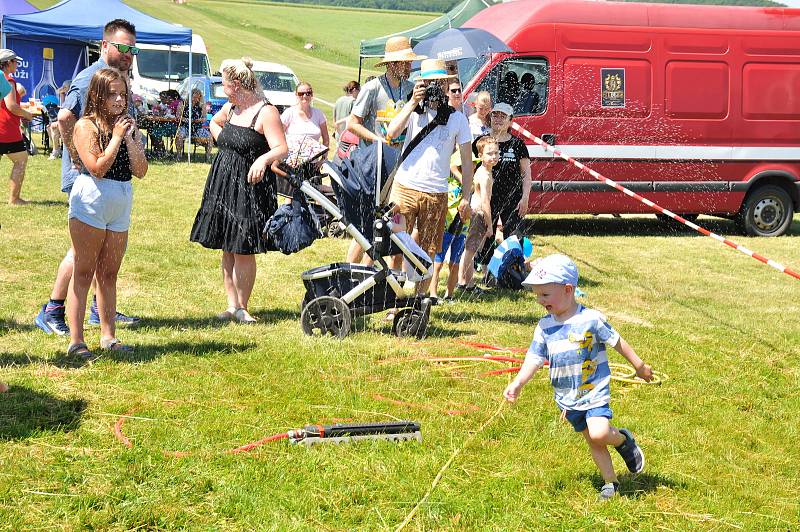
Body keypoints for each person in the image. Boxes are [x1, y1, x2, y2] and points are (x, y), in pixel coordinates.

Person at [503, 253, 653, 501]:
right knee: (593, 441)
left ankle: (623, 441)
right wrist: (518, 382)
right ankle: (610, 482)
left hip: (593, 390)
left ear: (568, 289)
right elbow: (534, 358)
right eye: (537, 295)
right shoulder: (544, 327)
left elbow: (617, 342)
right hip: (568, 397)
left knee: (598, 433)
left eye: (545, 295)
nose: (540, 301)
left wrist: (639, 366)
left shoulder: (590, 319)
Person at [34, 19, 142, 337]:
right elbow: (65, 117)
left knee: (98, 253)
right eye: (122, 47)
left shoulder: (117, 79)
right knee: (82, 254)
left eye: (133, 49)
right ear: (104, 45)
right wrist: (77, 159)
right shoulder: (91, 78)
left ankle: (99, 309)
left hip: (110, 180)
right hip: (91, 179)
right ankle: (54, 309)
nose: (128, 54)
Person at [190, 58, 288, 323]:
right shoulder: (232, 107)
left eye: (224, 83)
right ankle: (231, 305)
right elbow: (215, 122)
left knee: (243, 246)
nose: (222, 88)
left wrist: (262, 159)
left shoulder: (265, 112)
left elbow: (281, 148)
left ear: (236, 84)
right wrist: (219, 136)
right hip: (223, 181)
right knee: (227, 245)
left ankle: (243, 306)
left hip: (250, 186)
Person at [66, 67, 148, 357]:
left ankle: (108, 336)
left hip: (121, 199)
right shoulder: (85, 126)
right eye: (112, 94)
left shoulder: (129, 126)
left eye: (122, 94)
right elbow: (97, 168)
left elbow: (140, 170)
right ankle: (76, 341)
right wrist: (115, 137)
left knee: (109, 274)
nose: (118, 100)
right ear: (98, 95)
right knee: (84, 271)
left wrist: (128, 138)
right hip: (92, 199)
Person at [386, 58, 473, 295]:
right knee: (395, 247)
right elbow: (392, 133)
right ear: (420, 84)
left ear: (447, 86)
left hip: (436, 194)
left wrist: (466, 197)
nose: (435, 87)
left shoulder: (457, 119)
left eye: (440, 83)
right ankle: (394, 299)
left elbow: (467, 162)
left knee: (428, 251)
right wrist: (413, 102)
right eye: (429, 82)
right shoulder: (411, 110)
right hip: (404, 188)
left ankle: (419, 301)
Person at [345, 36, 424, 264]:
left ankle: (383, 275)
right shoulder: (372, 88)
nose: (410, 67)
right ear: (392, 64)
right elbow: (352, 123)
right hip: (375, 166)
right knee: (368, 223)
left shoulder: (411, 89)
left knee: (395, 222)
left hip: (401, 167)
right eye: (406, 63)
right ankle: (351, 271)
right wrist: (377, 140)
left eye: (410, 63)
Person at [476, 102, 531, 282]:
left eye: (503, 116)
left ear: (510, 121)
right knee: (487, 233)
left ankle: (513, 271)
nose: (498, 119)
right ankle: (486, 273)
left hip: (513, 198)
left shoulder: (518, 144)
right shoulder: (482, 142)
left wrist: (525, 198)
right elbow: (465, 165)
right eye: (495, 115)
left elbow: (526, 175)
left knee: (514, 235)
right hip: (488, 198)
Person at [458, 136, 498, 293]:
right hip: (479, 214)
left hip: (475, 213)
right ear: (480, 156)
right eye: (489, 153)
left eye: (496, 152)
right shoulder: (485, 176)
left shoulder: (483, 171)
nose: (493, 156)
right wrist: (489, 225)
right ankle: (467, 284)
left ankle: (463, 281)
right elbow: (486, 202)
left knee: (469, 250)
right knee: (470, 251)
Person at [0, 48, 34, 205]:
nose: (17, 64)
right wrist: (27, 114)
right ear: (7, 63)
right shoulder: (8, 80)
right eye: (15, 61)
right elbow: (12, 106)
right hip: (6, 130)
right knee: (21, 160)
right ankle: (14, 199)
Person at [280, 81, 329, 147]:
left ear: (312, 95)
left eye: (308, 93)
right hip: (292, 156)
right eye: (301, 94)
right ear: (296, 95)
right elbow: (278, 136)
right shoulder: (289, 113)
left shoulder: (319, 114)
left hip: (314, 156)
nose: (305, 96)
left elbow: (326, 138)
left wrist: (324, 155)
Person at [175, 88, 210, 160]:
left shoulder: (201, 105)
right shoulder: (183, 103)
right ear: (190, 96)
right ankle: (179, 154)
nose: (196, 99)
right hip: (185, 126)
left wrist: (199, 120)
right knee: (179, 135)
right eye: (194, 97)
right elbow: (178, 116)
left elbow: (204, 118)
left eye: (198, 97)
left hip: (197, 127)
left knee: (209, 137)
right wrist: (186, 119)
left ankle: (208, 156)